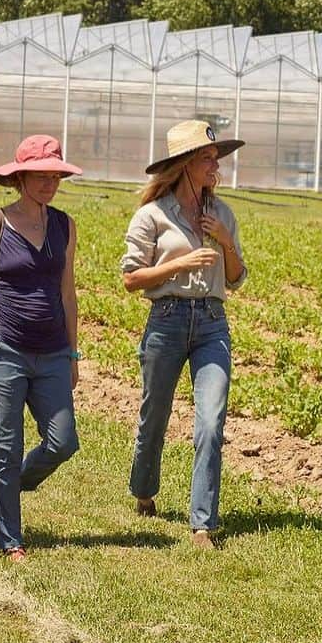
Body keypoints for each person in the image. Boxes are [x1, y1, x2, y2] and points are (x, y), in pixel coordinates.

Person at [0, 135, 82, 562]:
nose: (49, 183)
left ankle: (12, 482)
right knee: (3, 447)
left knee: (63, 442)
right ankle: (8, 539)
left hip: (53, 352)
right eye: (41, 175)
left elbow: (68, 292)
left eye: (55, 175)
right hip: (3, 350)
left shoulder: (64, 225)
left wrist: (74, 352)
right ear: (20, 177)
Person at [120, 120, 248, 550]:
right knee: (154, 413)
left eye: (216, 158)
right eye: (208, 159)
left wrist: (226, 241)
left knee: (211, 421)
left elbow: (235, 278)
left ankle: (202, 524)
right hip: (168, 317)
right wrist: (179, 265)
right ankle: (144, 488)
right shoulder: (152, 215)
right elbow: (131, 279)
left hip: (212, 321)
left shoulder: (222, 213)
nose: (216, 166)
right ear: (185, 165)